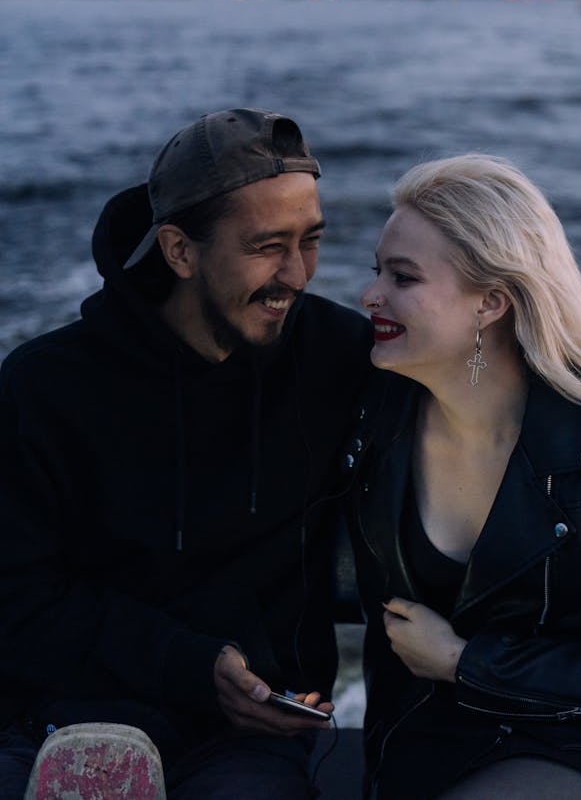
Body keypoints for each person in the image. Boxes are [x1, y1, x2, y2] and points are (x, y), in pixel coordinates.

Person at [0, 108, 372, 799]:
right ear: (179, 250)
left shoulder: (337, 356)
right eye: (267, 246)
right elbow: (15, 600)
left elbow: (478, 377)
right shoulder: (46, 386)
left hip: (250, 733)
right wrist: (190, 665)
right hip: (70, 713)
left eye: (311, 240)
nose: (295, 273)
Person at [346, 155, 581, 800]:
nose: (370, 295)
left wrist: (465, 663)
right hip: (423, 736)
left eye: (403, 277)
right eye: (378, 272)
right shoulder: (375, 399)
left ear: (491, 302)